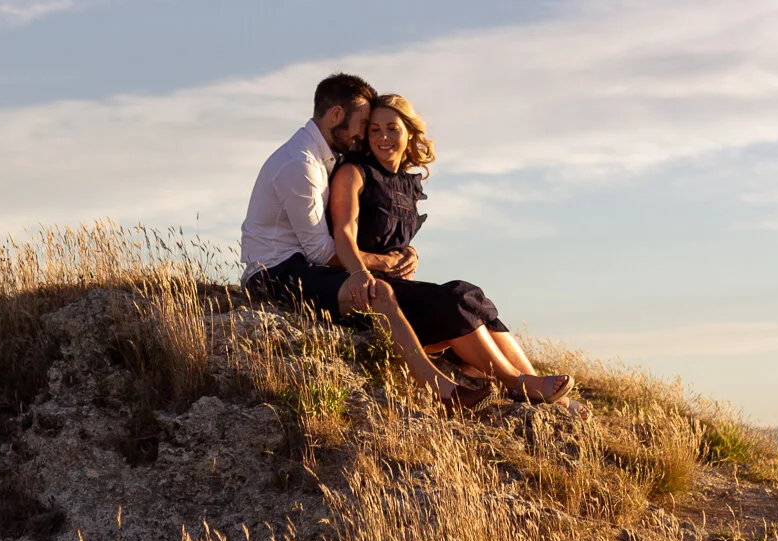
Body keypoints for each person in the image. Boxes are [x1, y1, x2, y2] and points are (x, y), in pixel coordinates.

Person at [240, 72, 491, 409]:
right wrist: (386, 263)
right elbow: (320, 251)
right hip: (275, 273)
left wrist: (402, 254)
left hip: (305, 268)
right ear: (336, 116)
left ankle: (460, 371)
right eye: (363, 123)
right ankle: (443, 392)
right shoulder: (300, 164)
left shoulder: (325, 158)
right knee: (380, 291)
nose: (364, 134)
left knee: (398, 292)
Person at [328, 93, 571, 403]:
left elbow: (395, 243)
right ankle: (516, 383)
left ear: (409, 132)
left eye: (392, 128)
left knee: (473, 297)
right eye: (374, 130)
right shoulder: (354, 172)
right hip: (367, 285)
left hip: (399, 283)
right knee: (456, 297)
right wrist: (367, 270)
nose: (383, 137)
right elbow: (344, 233)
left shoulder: (404, 182)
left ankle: (542, 388)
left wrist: (408, 256)